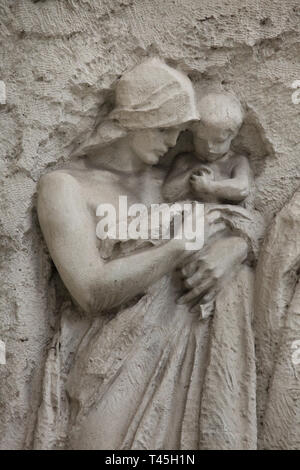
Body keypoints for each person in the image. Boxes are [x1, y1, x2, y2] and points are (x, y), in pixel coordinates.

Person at [35, 59, 257, 450]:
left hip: (189, 353)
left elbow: (241, 219)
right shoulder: (67, 186)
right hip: (111, 362)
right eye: (164, 129)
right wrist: (178, 247)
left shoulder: (173, 183)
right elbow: (89, 289)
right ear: (131, 121)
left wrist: (235, 249)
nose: (175, 142)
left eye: (180, 130)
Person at [163, 92, 252, 204]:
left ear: (233, 136)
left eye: (218, 141)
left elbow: (242, 189)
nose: (209, 147)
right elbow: (167, 193)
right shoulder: (185, 160)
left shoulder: (237, 161)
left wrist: (210, 186)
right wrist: (191, 174)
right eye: (201, 140)